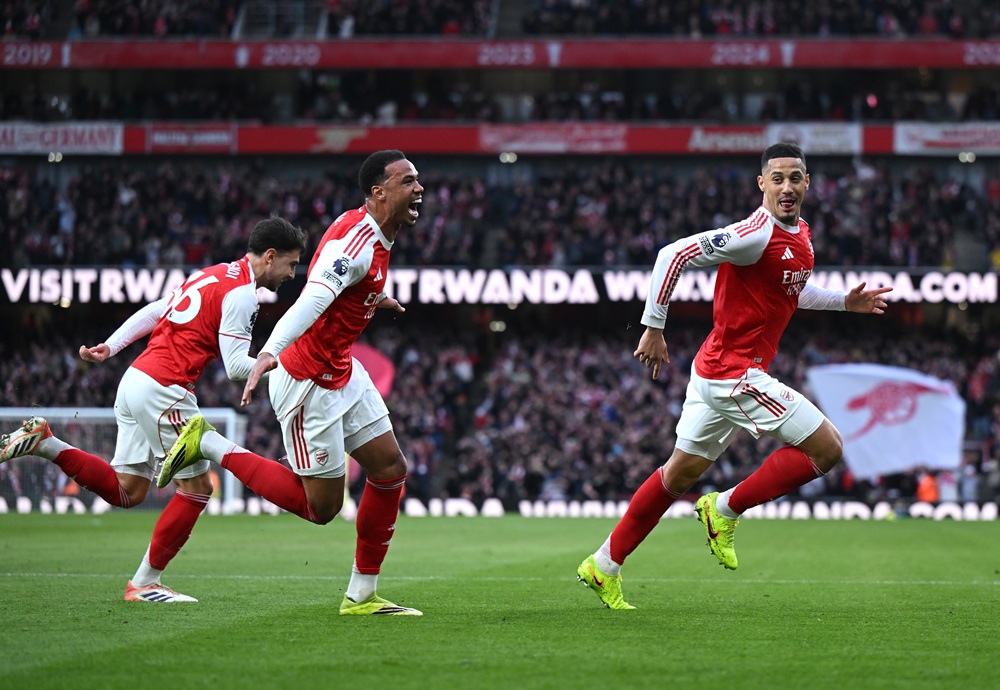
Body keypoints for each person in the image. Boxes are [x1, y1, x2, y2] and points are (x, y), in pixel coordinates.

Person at [576, 142, 893, 609]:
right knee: (827, 448)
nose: (787, 187)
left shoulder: (801, 232)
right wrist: (655, 326)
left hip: (716, 370)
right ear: (761, 184)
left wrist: (846, 301)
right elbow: (672, 255)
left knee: (676, 476)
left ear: (808, 183)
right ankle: (723, 508)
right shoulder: (754, 234)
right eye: (777, 178)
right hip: (733, 374)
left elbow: (793, 292)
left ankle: (603, 565)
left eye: (795, 177)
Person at [159, 149, 424, 616]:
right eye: (408, 181)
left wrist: (373, 297)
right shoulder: (357, 244)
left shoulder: (375, 233)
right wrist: (266, 356)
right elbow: (310, 302)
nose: (419, 188)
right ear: (380, 193)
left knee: (389, 470)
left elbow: (345, 284)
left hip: (342, 368)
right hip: (307, 381)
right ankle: (210, 444)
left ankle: (362, 596)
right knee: (321, 509)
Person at [0, 217, 306, 603]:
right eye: (291, 264)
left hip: (135, 380)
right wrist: (288, 365)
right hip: (166, 388)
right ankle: (144, 583)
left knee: (127, 491)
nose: (293, 274)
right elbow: (235, 369)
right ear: (270, 256)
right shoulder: (244, 294)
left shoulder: (209, 274)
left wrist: (110, 347)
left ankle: (44, 442)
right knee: (196, 488)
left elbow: (155, 310)